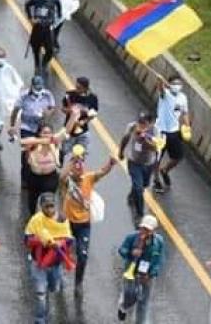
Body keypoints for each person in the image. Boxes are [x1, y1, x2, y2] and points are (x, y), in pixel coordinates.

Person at [59, 144, 116, 287]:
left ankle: (78, 282)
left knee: (83, 255)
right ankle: (59, 273)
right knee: (61, 250)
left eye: (81, 164)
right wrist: (73, 160)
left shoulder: (89, 178)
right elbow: (62, 176)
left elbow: (102, 172)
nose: (79, 167)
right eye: (76, 165)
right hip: (67, 222)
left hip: (83, 223)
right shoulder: (67, 181)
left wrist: (110, 163)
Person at [24, 192, 75, 324]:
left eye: (52, 206)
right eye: (46, 206)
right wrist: (43, 241)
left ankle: (51, 288)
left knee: (53, 288)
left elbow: (69, 239)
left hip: (55, 264)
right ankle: (40, 319)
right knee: (41, 293)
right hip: (39, 263)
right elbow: (27, 240)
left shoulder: (62, 219)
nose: (49, 209)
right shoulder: (36, 220)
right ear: (41, 207)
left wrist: (59, 243)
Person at [117, 215, 165, 323]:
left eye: (148, 230)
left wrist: (152, 274)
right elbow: (122, 250)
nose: (144, 231)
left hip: (147, 276)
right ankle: (123, 306)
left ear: (153, 231)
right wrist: (131, 252)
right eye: (143, 228)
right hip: (132, 273)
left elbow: (159, 260)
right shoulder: (131, 237)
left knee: (143, 302)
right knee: (129, 296)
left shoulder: (159, 242)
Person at [117, 112, 160, 220]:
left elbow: (155, 148)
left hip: (148, 163)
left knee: (143, 185)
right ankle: (140, 213)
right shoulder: (132, 127)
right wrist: (121, 152)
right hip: (134, 162)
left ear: (150, 123)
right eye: (139, 122)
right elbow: (125, 138)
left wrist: (145, 140)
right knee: (139, 188)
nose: (141, 126)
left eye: (144, 123)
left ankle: (133, 194)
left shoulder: (155, 131)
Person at [154, 73, 191, 193]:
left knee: (178, 157)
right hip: (161, 131)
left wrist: (187, 126)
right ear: (169, 84)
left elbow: (185, 113)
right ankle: (156, 180)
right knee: (157, 157)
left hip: (174, 131)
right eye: (174, 83)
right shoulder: (165, 94)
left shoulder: (183, 98)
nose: (177, 85)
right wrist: (160, 81)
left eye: (179, 83)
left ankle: (165, 170)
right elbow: (160, 88)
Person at [0, 48, 24, 149]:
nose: (0, 59)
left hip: (4, 101)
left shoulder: (9, 69)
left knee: (0, 121)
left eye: (2, 57)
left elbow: (18, 83)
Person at [25, 0, 61, 76]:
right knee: (35, 47)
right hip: (37, 28)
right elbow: (27, 5)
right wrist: (30, 18)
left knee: (50, 49)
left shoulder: (54, 0)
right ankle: (37, 64)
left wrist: (59, 15)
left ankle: (44, 63)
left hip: (48, 29)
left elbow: (59, 6)